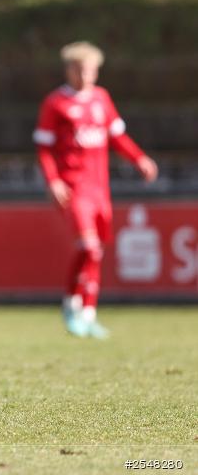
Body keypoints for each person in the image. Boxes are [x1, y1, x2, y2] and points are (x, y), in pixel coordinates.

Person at [34, 42, 157, 338]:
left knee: (97, 251)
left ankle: (88, 313)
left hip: (100, 188)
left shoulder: (102, 99)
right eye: (80, 69)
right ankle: (70, 302)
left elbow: (118, 137)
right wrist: (53, 179)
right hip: (73, 188)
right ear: (69, 69)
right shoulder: (56, 103)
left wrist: (139, 158)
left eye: (91, 70)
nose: (86, 76)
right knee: (87, 246)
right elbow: (44, 148)